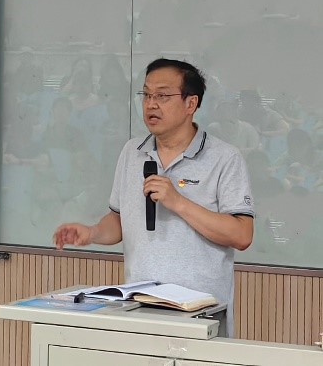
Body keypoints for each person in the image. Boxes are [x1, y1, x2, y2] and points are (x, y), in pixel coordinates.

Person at [53, 58, 254, 337]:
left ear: (191, 103)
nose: (151, 104)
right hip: (140, 308)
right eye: (146, 95)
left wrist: (178, 202)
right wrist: (92, 233)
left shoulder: (224, 158)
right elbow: (119, 220)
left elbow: (242, 235)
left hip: (200, 314)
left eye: (162, 96)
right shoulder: (132, 152)